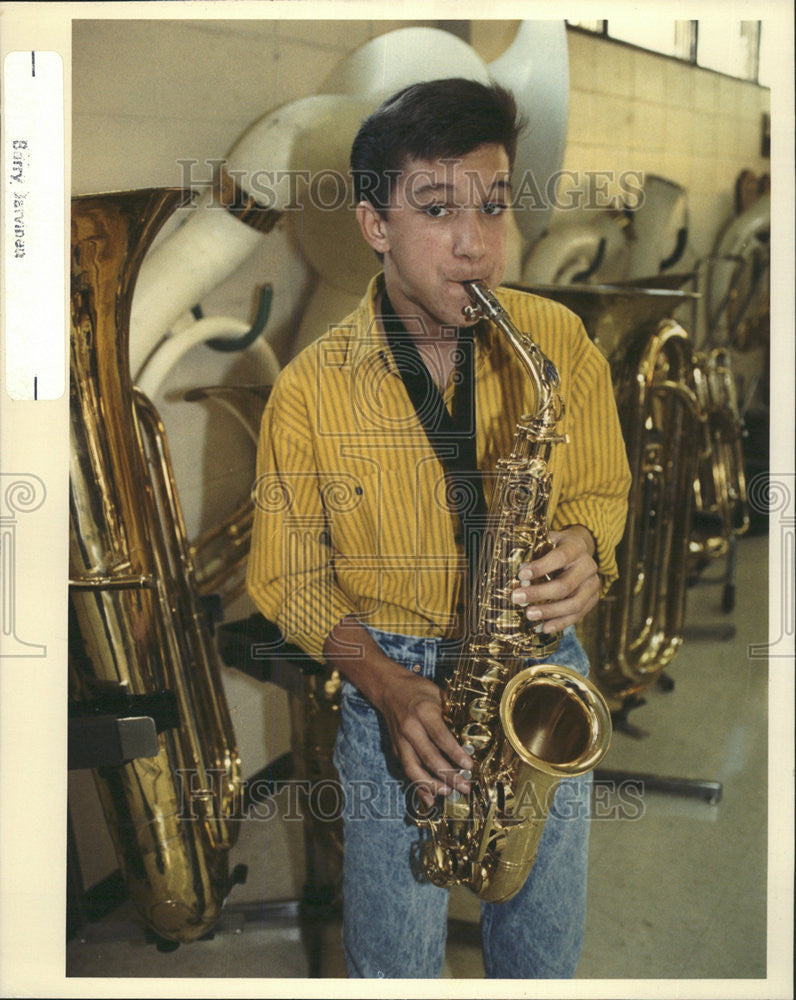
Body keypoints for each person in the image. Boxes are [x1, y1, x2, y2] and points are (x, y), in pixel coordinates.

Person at [247, 77, 631, 979]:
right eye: (437, 208)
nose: (477, 244)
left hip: (536, 671)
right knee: (394, 962)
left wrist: (587, 552)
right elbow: (288, 580)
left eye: (493, 205)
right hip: (396, 692)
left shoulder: (557, 341)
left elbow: (600, 493)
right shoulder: (310, 389)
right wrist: (382, 684)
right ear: (375, 223)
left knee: (543, 953)